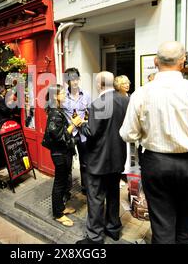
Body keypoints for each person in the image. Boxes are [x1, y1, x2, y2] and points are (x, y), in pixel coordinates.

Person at [120, 41, 188, 244]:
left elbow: (128, 134)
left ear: (155, 61)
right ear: (183, 60)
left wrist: (148, 133)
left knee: (162, 226)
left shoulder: (142, 93)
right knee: (186, 227)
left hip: (156, 164)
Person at [75, 71, 129, 244]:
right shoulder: (125, 100)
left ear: (99, 85)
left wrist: (81, 124)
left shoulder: (99, 103)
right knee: (113, 193)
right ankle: (113, 229)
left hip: (98, 159)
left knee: (96, 197)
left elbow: (91, 132)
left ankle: (94, 237)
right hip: (118, 156)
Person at [42, 84, 79, 227]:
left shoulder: (57, 110)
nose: (65, 95)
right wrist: (73, 124)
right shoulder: (54, 113)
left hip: (63, 152)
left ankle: (61, 208)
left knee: (63, 181)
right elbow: (59, 136)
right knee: (59, 183)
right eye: (62, 93)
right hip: (59, 153)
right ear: (55, 96)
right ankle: (57, 214)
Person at [63, 67, 91, 196]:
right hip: (70, 134)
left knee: (85, 162)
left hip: (83, 134)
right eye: (71, 79)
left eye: (76, 79)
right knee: (67, 164)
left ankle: (85, 187)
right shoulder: (62, 96)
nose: (74, 82)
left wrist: (86, 121)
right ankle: (66, 190)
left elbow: (91, 113)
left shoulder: (86, 95)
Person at [114, 75, 132, 177]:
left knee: (130, 153)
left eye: (128, 83)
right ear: (118, 85)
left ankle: (128, 174)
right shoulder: (115, 98)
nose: (127, 85)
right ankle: (120, 175)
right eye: (124, 83)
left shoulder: (131, 97)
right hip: (118, 129)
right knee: (120, 153)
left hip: (129, 128)